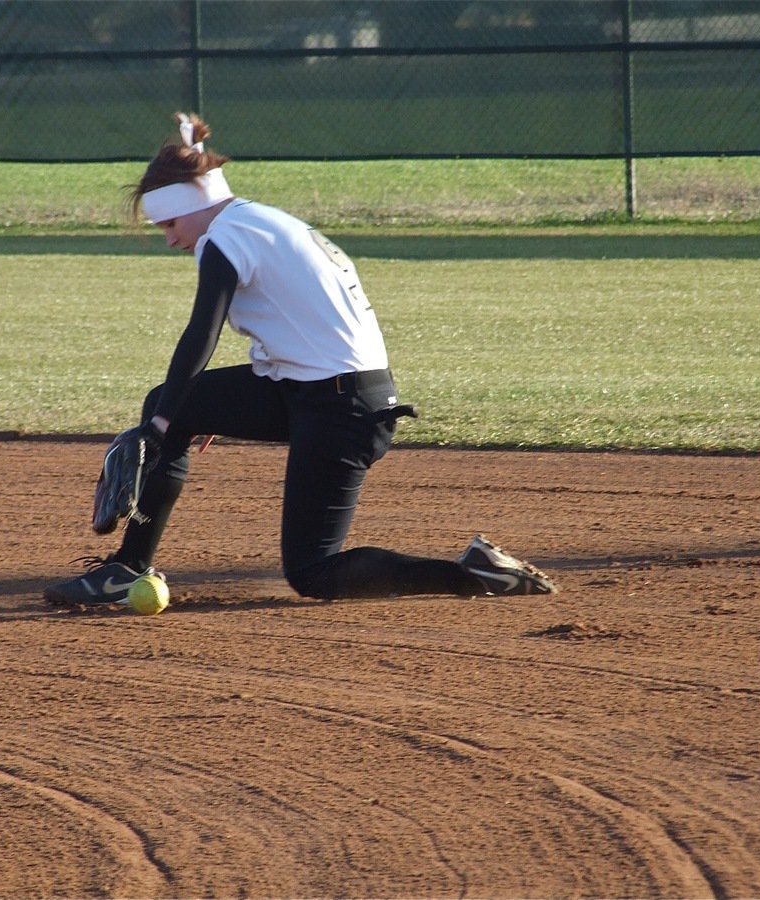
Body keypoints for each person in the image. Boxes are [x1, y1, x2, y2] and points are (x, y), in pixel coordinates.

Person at [45, 114, 556, 607]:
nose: (171, 238)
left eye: (171, 223)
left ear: (197, 203)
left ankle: (473, 575)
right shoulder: (257, 220)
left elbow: (202, 331)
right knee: (174, 404)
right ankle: (128, 568)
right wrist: (187, 412)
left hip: (341, 410)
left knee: (312, 572)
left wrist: (158, 427)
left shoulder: (225, 237)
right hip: (320, 389)